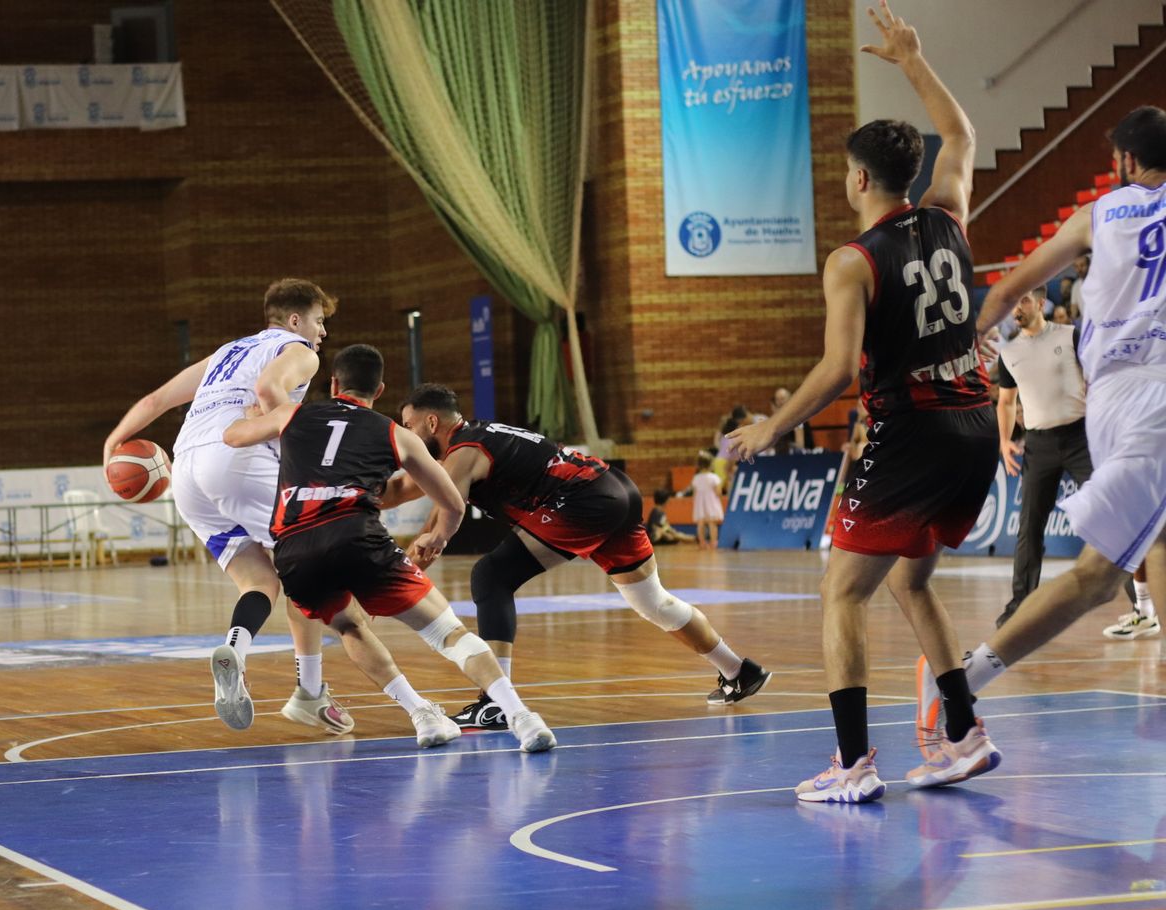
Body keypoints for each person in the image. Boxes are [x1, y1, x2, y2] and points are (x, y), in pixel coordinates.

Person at [730, 1, 996, 804]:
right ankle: (965, 734)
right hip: (975, 423)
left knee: (842, 592)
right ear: (910, 174)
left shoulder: (852, 261)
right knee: (911, 585)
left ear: (855, 179)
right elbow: (964, 135)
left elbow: (840, 365)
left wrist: (771, 427)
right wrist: (913, 59)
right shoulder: (949, 212)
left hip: (911, 429)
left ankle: (852, 765)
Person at [915, 103, 1166, 733]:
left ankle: (963, 678)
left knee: (1145, 548)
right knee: (1096, 578)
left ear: (1126, 162)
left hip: (1112, 398)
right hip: (1149, 402)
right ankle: (963, 680)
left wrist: (950, 358)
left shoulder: (1096, 214)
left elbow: (1000, 294)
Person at [224, 345, 557, 753]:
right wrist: (438, 537)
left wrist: (251, 417)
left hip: (294, 548)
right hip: (356, 535)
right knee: (448, 633)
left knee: (349, 626)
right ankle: (522, 718)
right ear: (379, 390)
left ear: (333, 384)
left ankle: (422, 715)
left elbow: (232, 437)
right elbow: (452, 501)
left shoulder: (292, 414)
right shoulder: (394, 432)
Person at [395, 384, 770, 728]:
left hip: (583, 500)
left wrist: (433, 541)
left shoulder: (464, 449)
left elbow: (450, 507)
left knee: (491, 576)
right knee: (653, 602)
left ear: (432, 422)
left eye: (408, 426)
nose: (405, 435)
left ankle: (495, 702)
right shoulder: (471, 441)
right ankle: (739, 671)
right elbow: (430, 493)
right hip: (615, 489)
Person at [104, 279, 348, 735]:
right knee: (312, 570)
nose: (322, 333)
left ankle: (235, 649)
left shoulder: (225, 353)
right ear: (295, 320)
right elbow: (269, 390)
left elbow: (156, 400)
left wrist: (113, 443)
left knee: (258, 579)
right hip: (237, 458)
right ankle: (311, 693)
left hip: (187, 472)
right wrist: (290, 439)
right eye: (319, 320)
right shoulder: (300, 350)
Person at [993, 288, 1092, 627]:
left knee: (1108, 516)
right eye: (1011, 302)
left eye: (1021, 300)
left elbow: (1096, 379)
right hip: (1039, 444)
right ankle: (1020, 606)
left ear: (1040, 302)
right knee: (1030, 527)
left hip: (1081, 437)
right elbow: (1006, 402)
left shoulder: (1071, 335)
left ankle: (1139, 603)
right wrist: (1005, 441)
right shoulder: (1008, 352)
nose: (1014, 308)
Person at [688, 454, 725, 549]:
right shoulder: (714, 477)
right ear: (710, 464)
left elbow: (694, 493)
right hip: (711, 503)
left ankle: (702, 543)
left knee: (700, 524)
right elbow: (718, 492)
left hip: (700, 503)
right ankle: (713, 543)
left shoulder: (696, 478)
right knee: (712, 524)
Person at [769, 386, 816, 452]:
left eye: (782, 399)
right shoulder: (776, 420)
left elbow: (800, 446)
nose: (780, 402)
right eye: (777, 399)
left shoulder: (798, 417)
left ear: (790, 399)